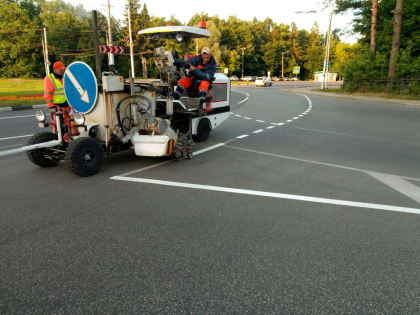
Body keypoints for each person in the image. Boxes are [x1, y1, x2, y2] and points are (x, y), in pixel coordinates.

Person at [172, 47, 217, 113]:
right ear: (202, 55)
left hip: (204, 81)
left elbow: (206, 77)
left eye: (207, 57)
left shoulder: (213, 65)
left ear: (210, 55)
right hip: (194, 80)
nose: (205, 59)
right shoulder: (197, 59)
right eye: (204, 57)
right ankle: (174, 100)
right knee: (183, 81)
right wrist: (174, 60)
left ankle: (201, 106)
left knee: (204, 84)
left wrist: (195, 70)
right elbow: (186, 63)